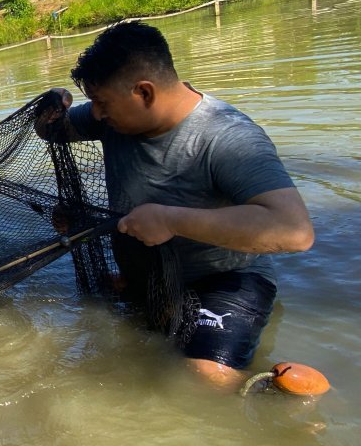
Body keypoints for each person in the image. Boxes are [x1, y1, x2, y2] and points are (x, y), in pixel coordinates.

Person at [35, 21, 314, 389]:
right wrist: (52, 102)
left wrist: (170, 220)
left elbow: (295, 232)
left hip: (225, 279)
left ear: (144, 92)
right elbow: (49, 129)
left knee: (202, 378)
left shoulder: (227, 137)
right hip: (150, 278)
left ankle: (286, 392)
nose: (97, 113)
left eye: (102, 103)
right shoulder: (113, 120)